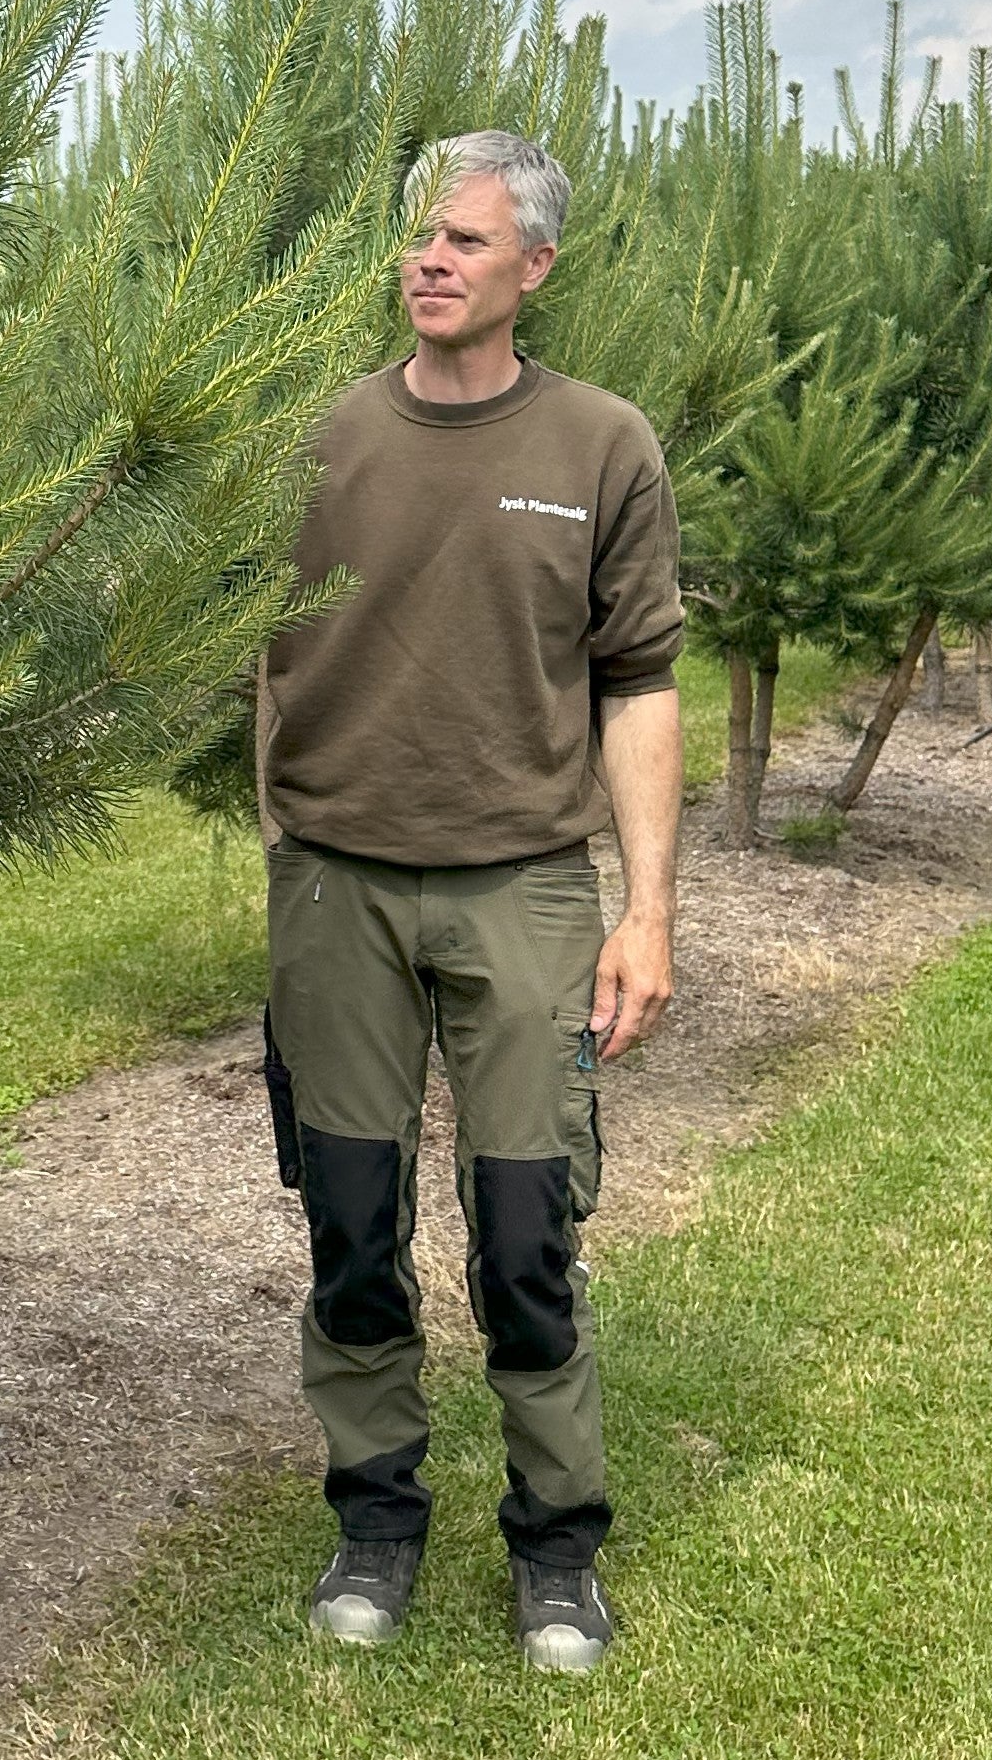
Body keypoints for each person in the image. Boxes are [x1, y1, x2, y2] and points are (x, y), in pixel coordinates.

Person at [258, 127, 683, 1676]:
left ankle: (557, 1550)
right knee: (350, 1223)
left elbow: (639, 682)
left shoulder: (600, 448)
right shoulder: (316, 438)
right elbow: (254, 655)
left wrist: (646, 911)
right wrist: (289, 853)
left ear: (535, 270)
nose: (430, 261)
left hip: (522, 892)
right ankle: (376, 1519)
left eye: (467, 241)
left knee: (526, 1233)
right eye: (420, 238)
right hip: (339, 895)